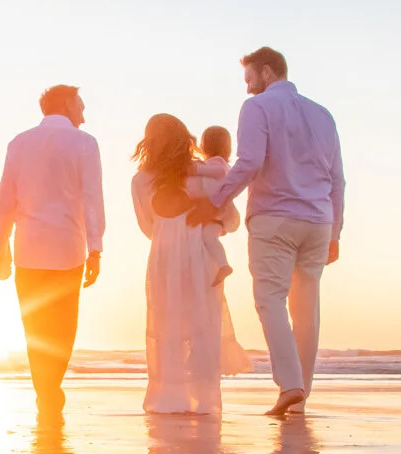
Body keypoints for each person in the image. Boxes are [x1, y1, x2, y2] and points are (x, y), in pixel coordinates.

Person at [200, 46, 345, 417]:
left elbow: (249, 162)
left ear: (267, 72)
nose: (247, 88)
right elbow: (337, 180)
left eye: (249, 79)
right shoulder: (323, 115)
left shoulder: (257, 107)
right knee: (307, 307)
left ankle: (290, 386)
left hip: (274, 218)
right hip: (318, 220)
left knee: (270, 299)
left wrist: (215, 200)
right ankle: (301, 395)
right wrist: (336, 232)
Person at [0, 84, 105, 418]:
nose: (84, 113)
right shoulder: (85, 143)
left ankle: (45, 390)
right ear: (67, 104)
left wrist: (1, 246)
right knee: (64, 324)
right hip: (68, 248)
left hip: (28, 248)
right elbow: (92, 199)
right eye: (81, 105)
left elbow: (5, 201)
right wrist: (96, 248)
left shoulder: (19, 142)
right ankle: (49, 388)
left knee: (34, 325)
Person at [132, 114, 235, 414]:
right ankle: (204, 401)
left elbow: (147, 226)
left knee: (167, 325)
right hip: (201, 255)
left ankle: (168, 398)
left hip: (163, 257)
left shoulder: (140, 180)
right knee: (203, 325)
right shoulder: (206, 175)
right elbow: (229, 217)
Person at [197, 125, 255, 377]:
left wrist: (189, 166)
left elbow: (215, 172)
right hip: (219, 216)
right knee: (210, 237)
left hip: (217, 214)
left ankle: (223, 265)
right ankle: (222, 263)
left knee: (209, 236)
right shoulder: (218, 167)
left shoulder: (218, 165)